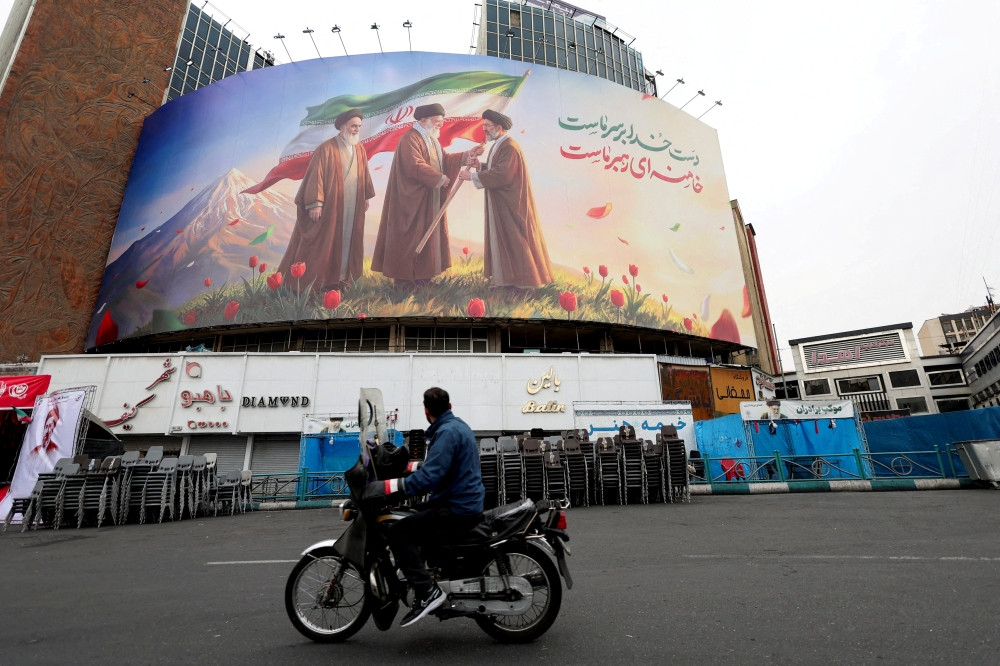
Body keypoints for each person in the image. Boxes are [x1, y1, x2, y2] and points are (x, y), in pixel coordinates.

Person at [362, 387, 485, 627]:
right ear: (449, 407)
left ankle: (429, 592)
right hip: (459, 498)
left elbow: (429, 477)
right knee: (413, 515)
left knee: (398, 532)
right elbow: (436, 466)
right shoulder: (456, 427)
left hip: (458, 507)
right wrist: (405, 469)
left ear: (426, 411)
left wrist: (391, 489)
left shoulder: (447, 433)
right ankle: (433, 572)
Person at [371, 104, 482, 287]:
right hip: (410, 201)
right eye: (437, 122)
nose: (440, 125)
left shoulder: (430, 139)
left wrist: (467, 155)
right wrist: (439, 178)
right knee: (409, 238)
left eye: (441, 122)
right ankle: (405, 282)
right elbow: (414, 166)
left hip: (427, 199)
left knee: (427, 238)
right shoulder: (410, 139)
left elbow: (444, 160)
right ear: (424, 121)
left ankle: (423, 278)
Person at [277, 108, 376, 292]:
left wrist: (365, 196)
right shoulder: (326, 148)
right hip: (331, 207)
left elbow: (364, 175)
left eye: (359, 126)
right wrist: (316, 203)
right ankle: (320, 283)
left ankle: (341, 281)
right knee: (325, 244)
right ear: (342, 127)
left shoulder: (360, 149)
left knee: (348, 242)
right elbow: (316, 176)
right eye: (353, 126)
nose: (356, 130)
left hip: (353, 206)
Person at [458, 109, 553, 289]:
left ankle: (525, 286)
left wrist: (471, 177)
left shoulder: (510, 146)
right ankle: (508, 282)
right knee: (504, 241)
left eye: (487, 125)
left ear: (498, 127)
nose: (484, 129)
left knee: (516, 241)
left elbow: (503, 174)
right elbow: (496, 168)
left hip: (512, 205)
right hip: (501, 202)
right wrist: (480, 166)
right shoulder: (499, 144)